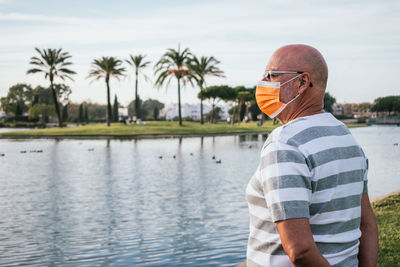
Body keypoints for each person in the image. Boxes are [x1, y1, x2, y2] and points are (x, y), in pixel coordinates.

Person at [242, 44, 378, 267]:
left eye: (271, 75)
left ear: (302, 83)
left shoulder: (285, 144)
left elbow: (300, 251)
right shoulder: (345, 136)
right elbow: (367, 223)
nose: (263, 83)